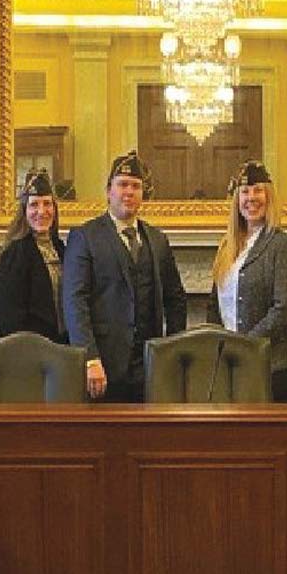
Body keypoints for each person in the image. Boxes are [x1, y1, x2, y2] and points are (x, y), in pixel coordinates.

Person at [63, 151, 187, 402]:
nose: (128, 192)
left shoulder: (157, 239)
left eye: (136, 186)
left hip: (150, 368)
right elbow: (75, 302)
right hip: (103, 367)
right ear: (109, 191)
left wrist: (171, 350)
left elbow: (176, 299)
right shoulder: (85, 236)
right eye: (122, 185)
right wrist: (89, 359)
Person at [207, 160, 287, 401]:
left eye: (258, 190)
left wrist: (246, 345)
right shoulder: (227, 246)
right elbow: (214, 307)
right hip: (229, 364)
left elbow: (283, 308)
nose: (251, 197)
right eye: (245, 191)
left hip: (271, 367)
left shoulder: (282, 244)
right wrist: (218, 346)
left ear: (269, 196)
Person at [0, 170, 66, 343]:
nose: (41, 211)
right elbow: (11, 318)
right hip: (31, 349)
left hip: (63, 346)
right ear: (24, 211)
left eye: (47, 204)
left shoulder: (62, 248)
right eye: (34, 205)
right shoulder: (15, 253)